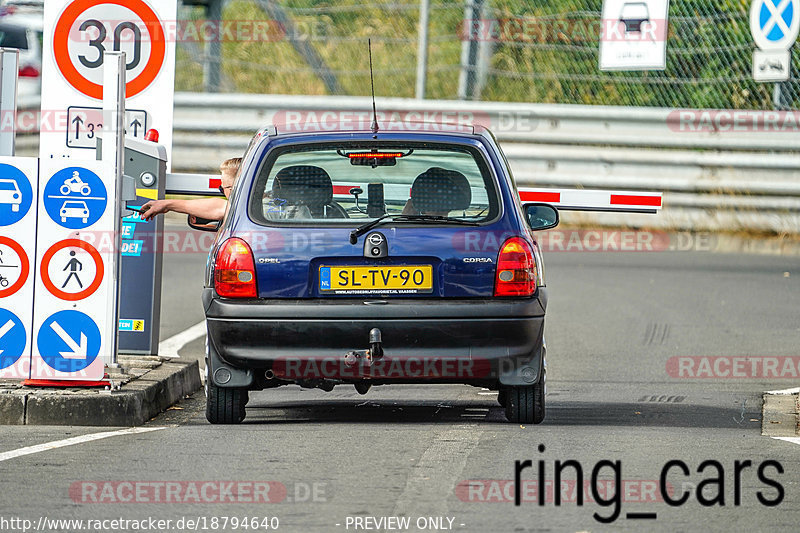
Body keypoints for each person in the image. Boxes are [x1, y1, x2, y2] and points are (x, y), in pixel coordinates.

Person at [139, 157, 242, 222]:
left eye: (222, 188)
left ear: (233, 189)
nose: (223, 193)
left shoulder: (243, 208)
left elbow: (222, 207)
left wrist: (167, 204)